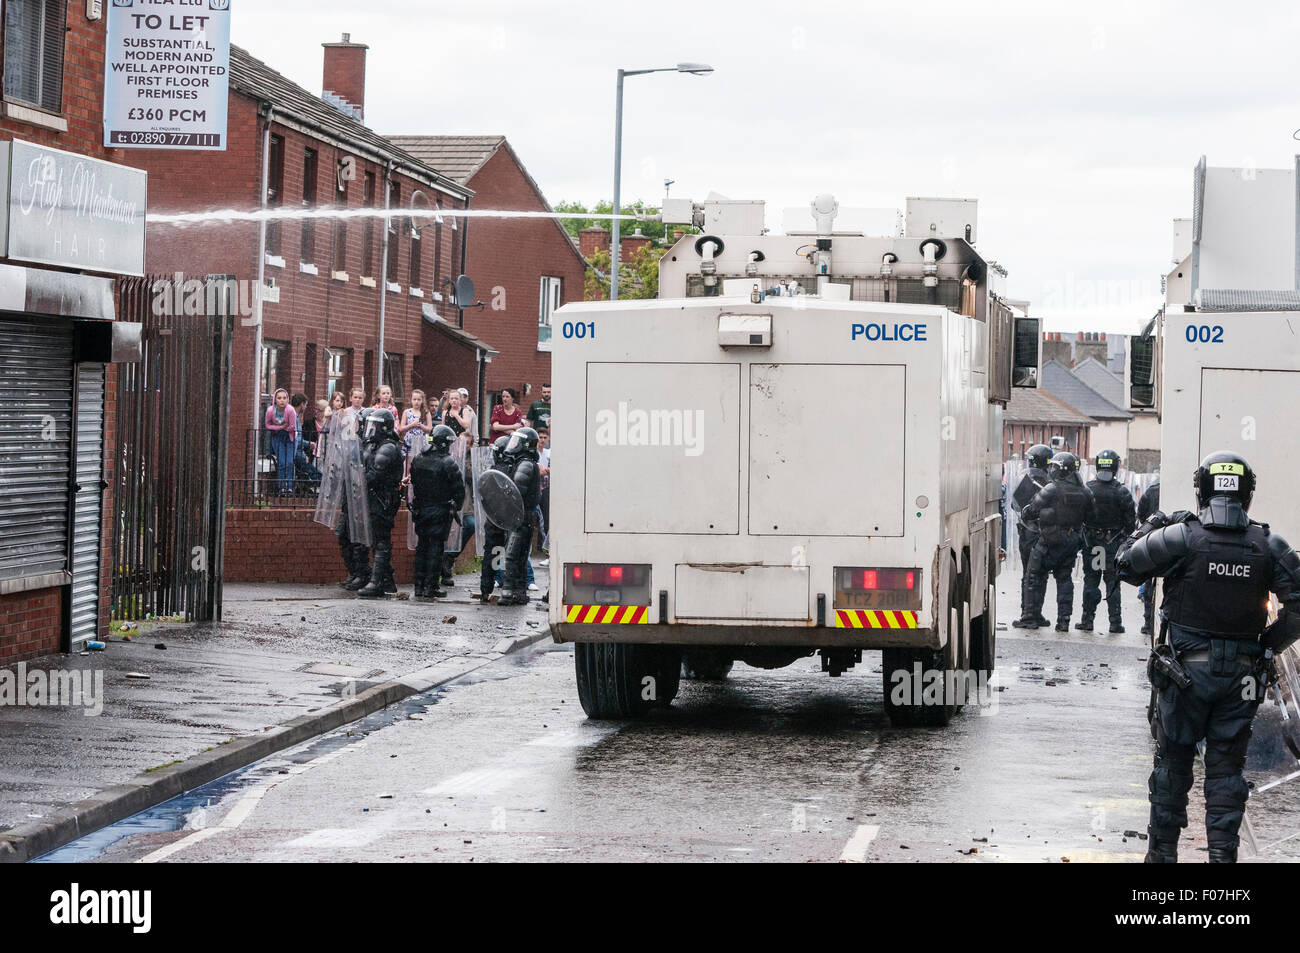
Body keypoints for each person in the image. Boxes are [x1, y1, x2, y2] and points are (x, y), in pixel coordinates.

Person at [1117, 451, 1300, 863]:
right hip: (1241, 678)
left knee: (1172, 768)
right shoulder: (1268, 545)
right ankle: (1222, 858)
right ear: (1248, 493)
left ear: (1202, 489)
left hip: (1183, 676)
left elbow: (1125, 566)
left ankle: (1162, 856)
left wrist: (1151, 526)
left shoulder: (1183, 536)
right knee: (1226, 772)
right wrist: (1268, 644)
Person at [1018, 451, 1095, 632]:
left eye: (1055, 466)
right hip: (1071, 542)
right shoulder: (1085, 491)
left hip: (1048, 541)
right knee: (1064, 579)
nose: (1051, 469)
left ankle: (1029, 616)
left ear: (1062, 469)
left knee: (1033, 575)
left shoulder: (1052, 489)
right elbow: (1092, 516)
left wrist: (1029, 511)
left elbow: (1032, 510)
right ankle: (1063, 621)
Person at [1078, 450, 1137, 633]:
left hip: (1093, 544)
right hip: (1113, 544)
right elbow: (1130, 522)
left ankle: (1087, 620)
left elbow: (1080, 515)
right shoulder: (1122, 492)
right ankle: (1115, 623)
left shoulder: (1088, 488)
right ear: (1115, 466)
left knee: (1091, 581)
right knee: (1112, 584)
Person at [409, 425, 466, 601]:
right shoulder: (447, 462)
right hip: (439, 510)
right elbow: (459, 490)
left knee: (422, 547)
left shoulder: (418, 458)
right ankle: (431, 587)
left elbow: (414, 481)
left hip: (421, 509)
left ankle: (419, 586)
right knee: (435, 548)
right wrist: (455, 505)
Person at [356, 408, 405, 599]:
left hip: (383, 500)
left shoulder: (388, 447)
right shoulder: (374, 445)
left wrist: (358, 480)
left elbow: (375, 474)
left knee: (381, 541)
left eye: (375, 425)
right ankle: (387, 581)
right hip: (372, 498)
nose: (372, 429)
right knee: (376, 540)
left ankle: (377, 583)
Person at [1010, 445, 1053, 628]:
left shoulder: (1025, 478)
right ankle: (1036, 613)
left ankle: (1027, 614)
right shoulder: (1050, 480)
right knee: (1041, 574)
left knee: (1028, 574)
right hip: (1045, 534)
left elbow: (1014, 504)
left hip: (1028, 533)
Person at [500, 427, 542, 606]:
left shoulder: (525, 464)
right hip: (525, 516)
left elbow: (515, 490)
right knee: (520, 556)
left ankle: (509, 592)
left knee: (511, 555)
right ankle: (519, 592)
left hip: (520, 517)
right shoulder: (527, 462)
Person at [477, 436, 512, 603]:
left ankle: (486, 589)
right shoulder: (511, 471)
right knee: (506, 555)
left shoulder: (491, 471)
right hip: (506, 520)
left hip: (493, 519)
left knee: (491, 554)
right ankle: (506, 588)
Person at [1137, 470, 1162, 636]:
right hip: (1175, 543)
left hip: (1152, 542)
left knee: (1149, 583)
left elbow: (1141, 516)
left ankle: (1148, 622)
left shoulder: (1150, 492)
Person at [264, 388, 298, 495]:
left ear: (287, 399)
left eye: (284, 398)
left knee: (289, 462)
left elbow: (292, 426)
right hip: (277, 437)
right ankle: (282, 487)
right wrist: (280, 427)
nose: (282, 400)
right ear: (275, 400)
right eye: (279, 398)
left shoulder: (290, 410)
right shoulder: (270, 410)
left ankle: (290, 486)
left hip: (290, 437)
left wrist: (282, 428)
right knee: (282, 462)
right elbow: (267, 425)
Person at [398, 389, 434, 481]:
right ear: (411, 400)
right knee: (408, 464)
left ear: (422, 401)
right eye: (414, 399)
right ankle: (406, 485)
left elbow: (429, 429)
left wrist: (421, 425)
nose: (416, 402)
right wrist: (412, 425)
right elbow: (401, 428)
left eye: (419, 400)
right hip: (409, 441)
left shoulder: (426, 412)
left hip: (420, 440)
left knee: (419, 463)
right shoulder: (407, 412)